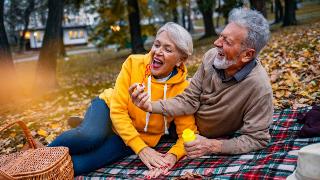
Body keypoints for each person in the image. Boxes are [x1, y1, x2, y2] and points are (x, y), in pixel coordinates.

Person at [48, 22, 197, 178]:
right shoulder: (134, 63)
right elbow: (118, 110)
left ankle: (94, 132)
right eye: (157, 45)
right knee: (90, 137)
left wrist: (172, 155)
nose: (158, 52)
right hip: (108, 108)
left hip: (133, 133)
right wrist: (141, 149)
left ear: (181, 59)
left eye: (167, 49)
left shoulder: (183, 89)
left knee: (81, 165)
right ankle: (36, 156)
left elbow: (188, 133)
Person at [129, 8, 273, 158]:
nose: (216, 43)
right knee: (117, 127)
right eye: (220, 36)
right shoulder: (211, 57)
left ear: (247, 55)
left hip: (180, 132)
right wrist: (150, 106)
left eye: (227, 42)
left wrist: (213, 146)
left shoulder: (259, 88)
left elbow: (257, 139)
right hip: (167, 121)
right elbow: (189, 100)